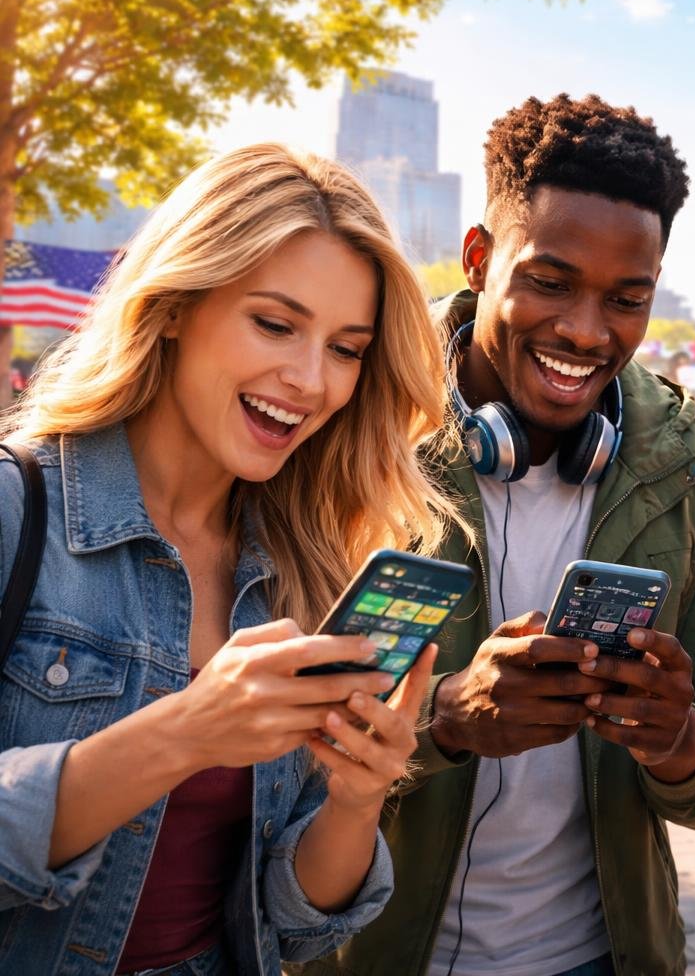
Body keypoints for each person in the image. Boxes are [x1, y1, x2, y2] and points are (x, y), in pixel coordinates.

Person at [305, 94, 695, 976]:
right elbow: (260, 759)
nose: (586, 332)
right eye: (551, 282)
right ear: (481, 259)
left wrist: (677, 738)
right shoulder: (344, 425)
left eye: (627, 299)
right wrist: (442, 721)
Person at [0, 143, 455, 974]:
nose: (309, 379)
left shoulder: (303, 570)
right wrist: (185, 732)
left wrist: (356, 799)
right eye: (275, 324)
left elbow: (298, 927)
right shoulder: (14, 510)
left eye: (347, 348)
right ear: (175, 306)